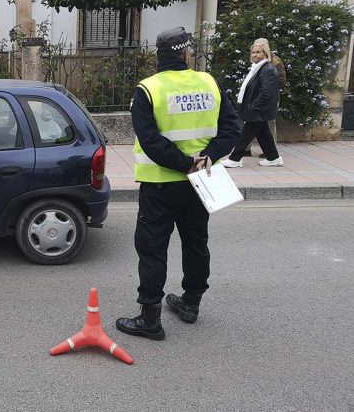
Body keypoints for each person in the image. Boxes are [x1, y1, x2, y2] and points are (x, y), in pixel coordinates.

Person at [115, 27, 240, 340]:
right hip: (202, 182)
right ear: (187, 54)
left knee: (152, 248)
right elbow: (231, 130)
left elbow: (152, 142)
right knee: (196, 241)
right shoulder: (210, 82)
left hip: (160, 184)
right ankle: (190, 303)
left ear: (160, 56)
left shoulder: (148, 89)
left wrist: (184, 163)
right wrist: (207, 157)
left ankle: (150, 318)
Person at [223, 39, 283, 168]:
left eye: (258, 52)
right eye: (253, 52)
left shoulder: (268, 68)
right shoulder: (257, 68)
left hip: (259, 109)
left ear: (265, 54)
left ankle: (235, 158)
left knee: (245, 134)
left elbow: (266, 92)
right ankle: (274, 158)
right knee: (263, 133)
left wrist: (254, 106)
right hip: (257, 108)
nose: (255, 55)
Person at [241, 38, 286, 158]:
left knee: (267, 124)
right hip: (256, 97)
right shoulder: (256, 61)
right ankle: (248, 149)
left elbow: (281, 80)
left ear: (265, 48)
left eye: (259, 48)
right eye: (254, 49)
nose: (255, 52)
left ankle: (269, 151)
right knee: (255, 124)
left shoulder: (274, 62)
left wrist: (268, 88)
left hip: (267, 98)